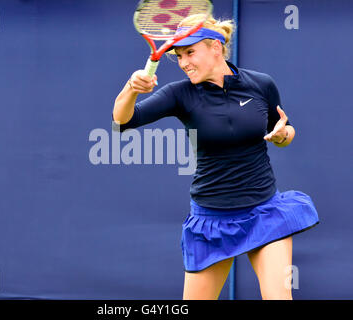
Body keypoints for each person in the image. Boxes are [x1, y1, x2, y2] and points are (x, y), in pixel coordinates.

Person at [112, 14, 319, 300]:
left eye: (190, 53)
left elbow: (283, 128)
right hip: (211, 222)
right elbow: (124, 120)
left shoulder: (261, 84)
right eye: (179, 56)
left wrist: (284, 136)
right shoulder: (179, 94)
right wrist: (131, 89)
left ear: (216, 48)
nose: (183, 63)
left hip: (264, 212)